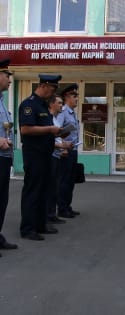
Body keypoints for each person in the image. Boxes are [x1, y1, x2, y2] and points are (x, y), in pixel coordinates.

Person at [19, 74, 62, 240]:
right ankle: (28, 229)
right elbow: (26, 129)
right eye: (52, 88)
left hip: (46, 154)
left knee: (44, 190)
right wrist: (50, 130)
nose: (53, 92)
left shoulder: (43, 106)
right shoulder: (28, 104)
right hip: (34, 154)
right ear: (44, 85)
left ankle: (40, 224)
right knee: (33, 190)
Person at [0, 58, 18, 254]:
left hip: (4, 157)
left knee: (2, 200)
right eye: (7, 76)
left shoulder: (2, 102)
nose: (10, 80)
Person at [46, 95, 73, 225]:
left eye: (62, 103)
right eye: (59, 103)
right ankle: (48, 215)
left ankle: (52, 215)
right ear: (52, 104)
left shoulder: (55, 119)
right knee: (50, 187)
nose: (62, 105)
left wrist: (64, 146)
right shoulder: (48, 119)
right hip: (50, 157)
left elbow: (57, 138)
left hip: (56, 155)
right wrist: (62, 146)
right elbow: (47, 141)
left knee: (55, 187)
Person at [56, 84, 80, 219]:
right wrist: (62, 148)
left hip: (73, 150)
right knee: (64, 181)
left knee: (70, 181)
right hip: (65, 151)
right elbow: (57, 130)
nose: (77, 98)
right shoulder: (63, 112)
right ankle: (62, 208)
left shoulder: (72, 112)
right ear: (66, 97)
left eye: (77, 96)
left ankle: (67, 206)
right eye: (74, 95)